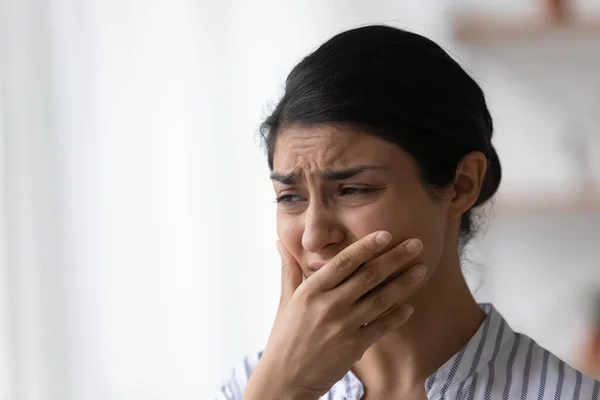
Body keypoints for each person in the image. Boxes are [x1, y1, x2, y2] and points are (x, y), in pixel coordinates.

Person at [215, 25, 600, 399]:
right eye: (290, 197)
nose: (314, 236)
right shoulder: (250, 386)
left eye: (354, 189)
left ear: (462, 184)